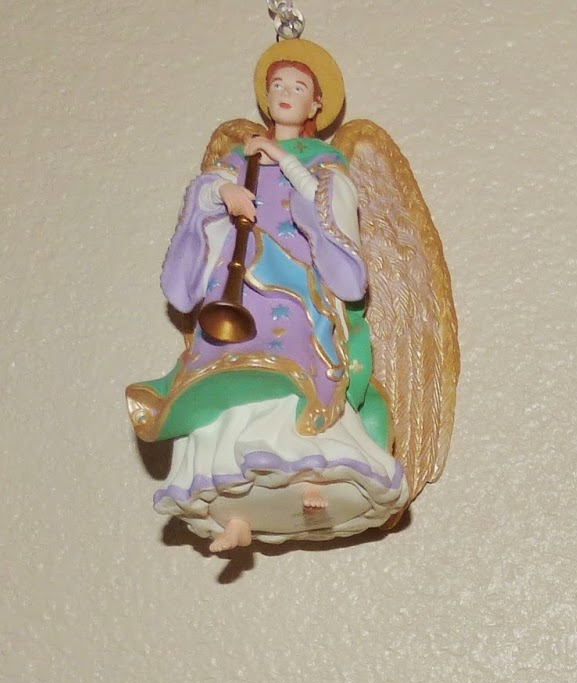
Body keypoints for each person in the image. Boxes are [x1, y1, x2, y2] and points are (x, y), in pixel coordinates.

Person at [126, 40, 406, 552]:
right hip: (239, 284)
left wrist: (282, 160)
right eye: (277, 85)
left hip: (293, 286)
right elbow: (202, 194)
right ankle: (231, 510)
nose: (285, 93)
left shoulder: (322, 161)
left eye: (298, 87)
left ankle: (311, 474)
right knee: (223, 379)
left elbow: (328, 206)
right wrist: (223, 192)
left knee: (293, 368)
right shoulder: (239, 158)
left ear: (315, 104)